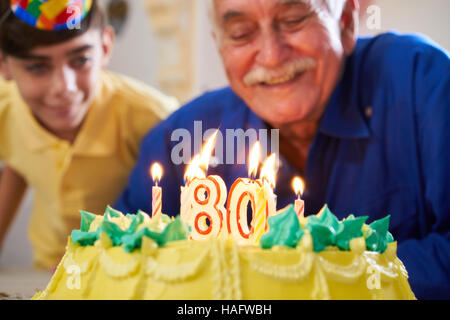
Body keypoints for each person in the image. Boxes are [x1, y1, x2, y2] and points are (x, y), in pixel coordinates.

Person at [115, 0, 450, 299]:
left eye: (294, 19)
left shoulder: (421, 84)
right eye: (241, 32)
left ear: (346, 21)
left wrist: (309, 282)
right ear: (220, 47)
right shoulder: (185, 136)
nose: (272, 55)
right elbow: (117, 262)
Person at [0, 0, 179, 269]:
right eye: (37, 67)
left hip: (127, 272)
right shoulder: (5, 110)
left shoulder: (156, 120)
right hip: (44, 270)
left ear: (105, 46)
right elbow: (18, 161)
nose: (65, 87)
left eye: (81, 59)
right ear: (4, 65)